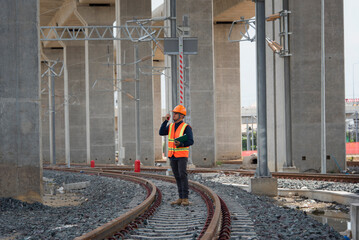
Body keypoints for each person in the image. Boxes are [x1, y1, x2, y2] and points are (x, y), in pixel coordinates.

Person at [159, 105, 194, 206]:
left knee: (182, 175)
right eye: (173, 113)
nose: (173, 115)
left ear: (181, 116)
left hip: (182, 155)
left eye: (176, 113)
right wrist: (165, 121)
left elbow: (191, 141)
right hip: (172, 155)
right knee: (177, 176)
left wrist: (181, 144)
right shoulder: (170, 126)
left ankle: (185, 198)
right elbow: (161, 132)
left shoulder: (186, 127)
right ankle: (180, 197)